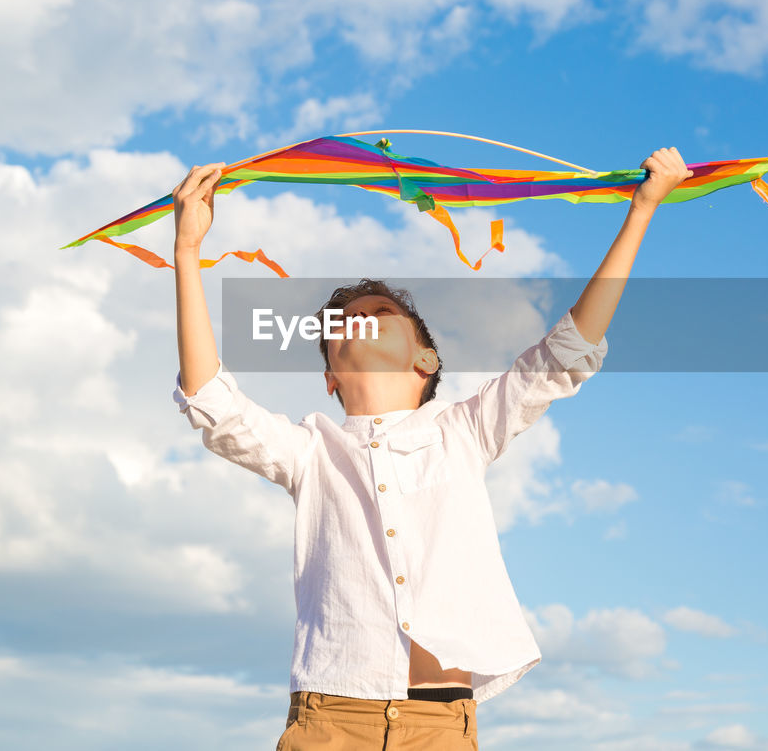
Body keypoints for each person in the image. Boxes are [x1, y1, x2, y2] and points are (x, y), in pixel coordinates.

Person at [171, 148, 693, 750]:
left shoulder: (465, 431)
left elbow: (567, 350)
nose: (359, 318)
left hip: (439, 728)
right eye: (344, 321)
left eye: (381, 312)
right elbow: (210, 400)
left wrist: (642, 210)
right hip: (329, 725)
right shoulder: (311, 452)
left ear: (427, 359)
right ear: (329, 377)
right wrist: (188, 252)